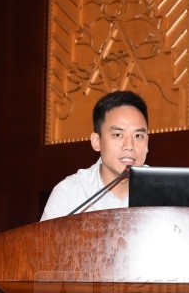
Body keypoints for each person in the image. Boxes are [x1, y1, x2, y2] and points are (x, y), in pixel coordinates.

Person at [40, 90, 149, 220]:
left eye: (138, 136)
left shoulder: (164, 189)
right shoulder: (70, 194)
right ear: (96, 142)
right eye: (118, 135)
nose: (129, 146)